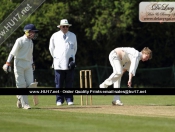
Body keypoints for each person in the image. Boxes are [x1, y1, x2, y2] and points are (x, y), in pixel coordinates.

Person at [2, 24, 38, 109]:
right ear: (27, 32)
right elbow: (12, 52)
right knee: (21, 84)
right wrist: (7, 63)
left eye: (34, 32)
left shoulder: (31, 42)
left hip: (28, 64)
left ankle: (19, 97)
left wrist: (32, 63)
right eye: (32, 32)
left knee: (31, 84)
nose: (34, 34)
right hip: (19, 63)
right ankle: (25, 104)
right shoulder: (20, 40)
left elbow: (30, 54)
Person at [49, 19, 77, 106]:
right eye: (63, 26)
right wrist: (57, 57)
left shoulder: (73, 35)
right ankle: (59, 100)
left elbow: (75, 48)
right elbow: (51, 48)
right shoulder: (55, 36)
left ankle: (69, 99)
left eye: (67, 26)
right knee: (59, 83)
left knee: (69, 82)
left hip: (69, 63)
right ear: (60, 27)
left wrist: (71, 57)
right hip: (58, 63)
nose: (65, 28)